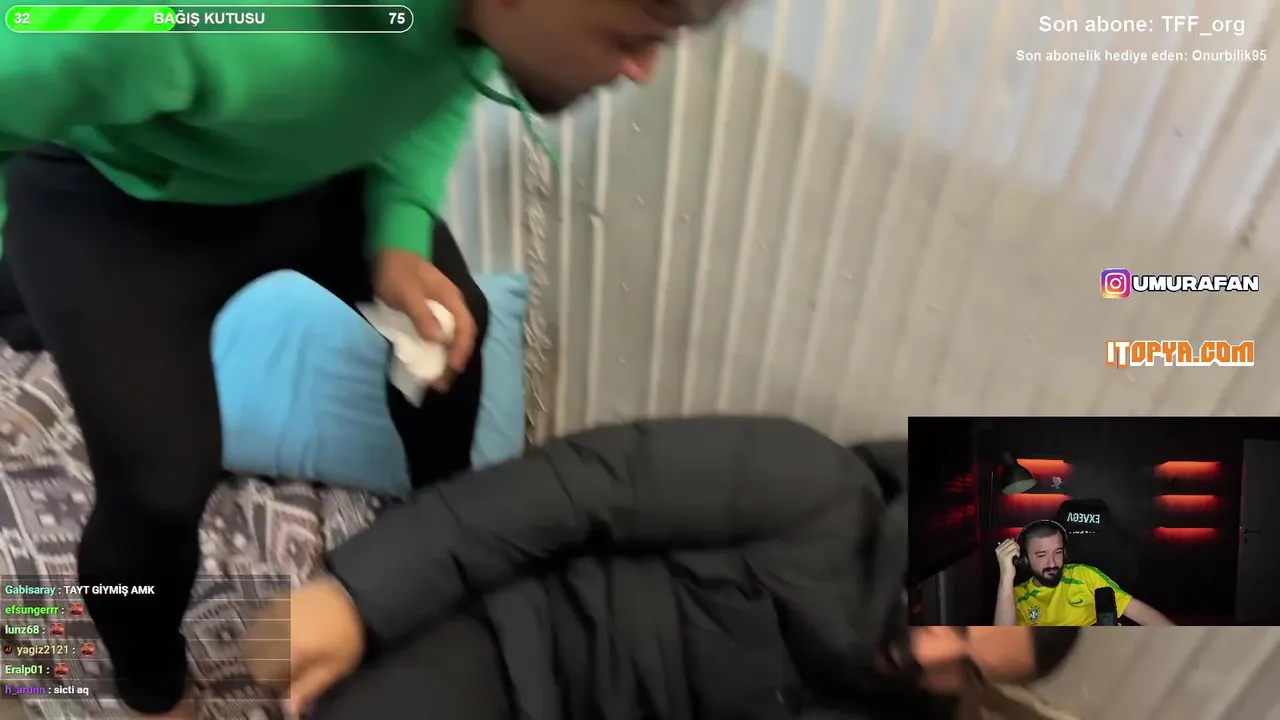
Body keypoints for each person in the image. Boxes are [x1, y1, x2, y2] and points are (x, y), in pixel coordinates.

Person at [0, 0, 741, 715]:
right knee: (157, 494)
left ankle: (437, 548)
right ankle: (149, 689)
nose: (644, 70)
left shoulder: (481, 16)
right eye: (630, 39)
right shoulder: (181, 22)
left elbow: (448, 71)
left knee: (452, 334)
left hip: (304, 172)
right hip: (113, 212)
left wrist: (401, 227)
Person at [246, 418, 1082, 719]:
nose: (934, 654)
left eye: (969, 666)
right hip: (515, 648)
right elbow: (576, 487)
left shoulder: (903, 705)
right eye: (955, 621)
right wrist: (359, 596)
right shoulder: (814, 485)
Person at [993, 520, 1174, 627]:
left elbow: (1139, 611)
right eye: (1041, 555)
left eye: (1058, 552)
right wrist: (1006, 577)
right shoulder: (1017, 596)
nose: (1052, 563)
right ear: (1025, 559)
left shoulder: (1083, 575)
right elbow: (1003, 643)